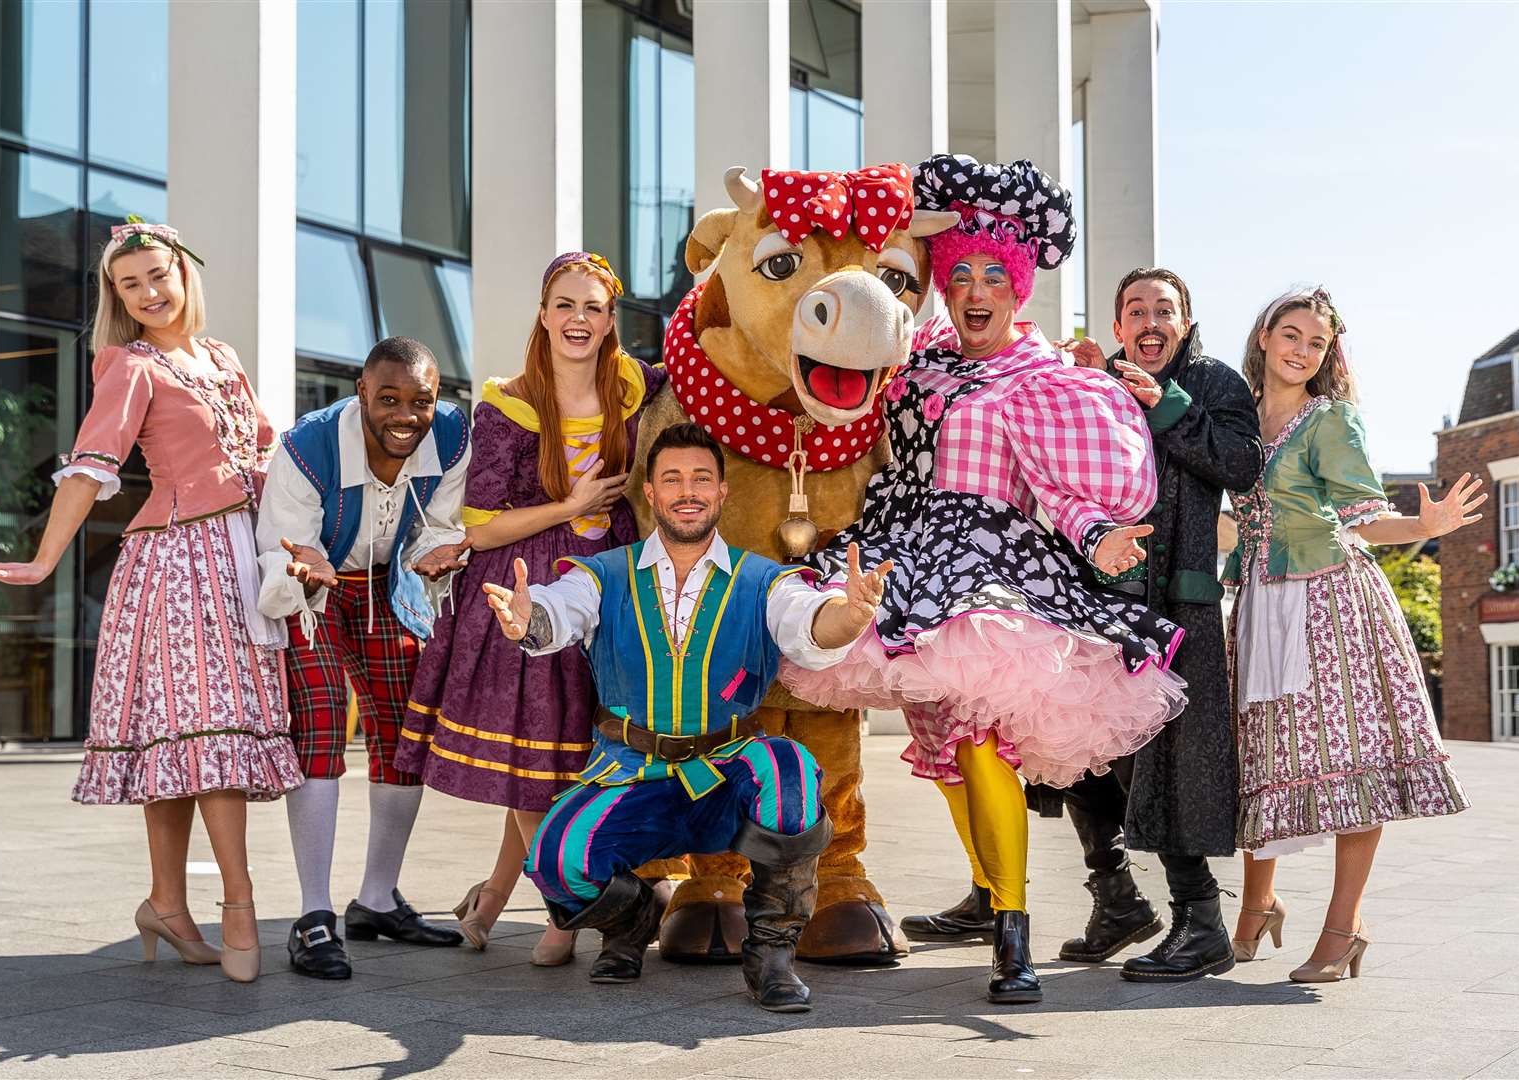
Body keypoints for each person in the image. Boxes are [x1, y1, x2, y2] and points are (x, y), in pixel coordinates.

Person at [783, 154, 1189, 1005]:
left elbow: (1057, 487)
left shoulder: (1040, 379)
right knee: (942, 746)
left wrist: (1101, 535)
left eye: (990, 277)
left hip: (988, 569)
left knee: (979, 738)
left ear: (1016, 289)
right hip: (903, 560)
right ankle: (987, 896)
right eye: (958, 273)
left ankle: (1013, 932)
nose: (973, 289)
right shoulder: (914, 360)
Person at [0, 219, 301, 984]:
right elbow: (89, 468)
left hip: (242, 558)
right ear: (116, 297)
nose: (148, 292)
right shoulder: (129, 366)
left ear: (184, 272)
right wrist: (45, 559)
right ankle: (239, 904)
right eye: (129, 283)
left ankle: (166, 904)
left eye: (157, 275)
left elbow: (271, 455)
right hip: (177, 562)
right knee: (200, 735)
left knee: (185, 742)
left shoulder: (221, 358)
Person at [486, 423, 883, 1013]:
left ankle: (771, 955)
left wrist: (847, 618)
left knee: (790, 769)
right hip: (630, 773)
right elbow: (557, 611)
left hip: (726, 770)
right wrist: (528, 620)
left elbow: (809, 623)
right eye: (672, 478)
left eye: (701, 478)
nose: (687, 490)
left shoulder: (763, 579)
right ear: (651, 492)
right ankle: (633, 924)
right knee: (555, 862)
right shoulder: (602, 573)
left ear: (723, 492)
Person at [395, 252, 666, 966]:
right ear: (543, 314)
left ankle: (492, 900)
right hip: (523, 585)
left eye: (594, 308)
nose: (579, 319)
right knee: (535, 758)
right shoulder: (507, 404)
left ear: (611, 323)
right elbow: (480, 527)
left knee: (577, 759)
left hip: (611, 585)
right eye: (565, 305)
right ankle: (561, 910)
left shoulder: (638, 386)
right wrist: (573, 505)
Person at [1226, 287, 1479, 982]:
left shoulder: (1331, 421)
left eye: (1316, 342)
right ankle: (1255, 908)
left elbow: (1365, 521)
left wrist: (1424, 528)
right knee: (1264, 760)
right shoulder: (1236, 415)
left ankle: (1342, 929)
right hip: (1258, 602)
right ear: (1264, 337)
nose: (1302, 350)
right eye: (1291, 334)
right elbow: (1232, 521)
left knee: (1351, 762)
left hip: (1331, 603)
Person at [1019, 268, 1263, 983]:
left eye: (1165, 309)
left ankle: (1200, 921)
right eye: (1136, 310)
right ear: (1117, 326)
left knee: (1164, 763)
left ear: (1185, 322)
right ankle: (1116, 898)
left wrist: (1167, 407)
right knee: (1074, 750)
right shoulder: (1093, 381)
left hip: (1175, 608)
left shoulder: (1212, 382)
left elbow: (1242, 466)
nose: (1150, 321)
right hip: (1093, 598)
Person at [256, 336, 473, 979]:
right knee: (322, 725)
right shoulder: (308, 447)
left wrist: (433, 555)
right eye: (388, 399)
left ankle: (377, 900)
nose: (405, 414)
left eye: (420, 400)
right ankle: (314, 915)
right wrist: (304, 565)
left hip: (387, 583)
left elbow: (440, 522)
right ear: (360, 394)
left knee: (405, 735)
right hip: (317, 586)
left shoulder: (453, 437)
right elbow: (281, 543)